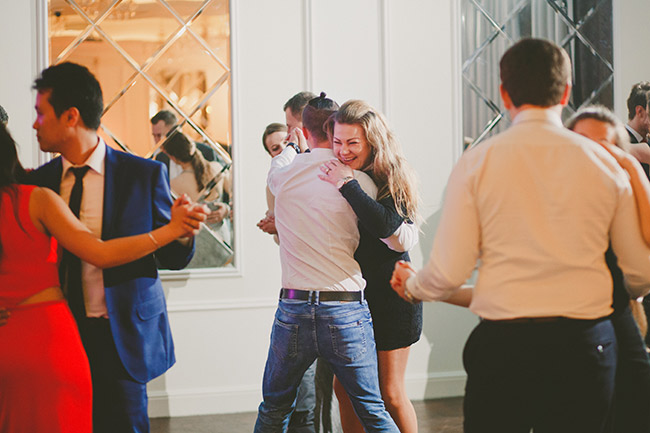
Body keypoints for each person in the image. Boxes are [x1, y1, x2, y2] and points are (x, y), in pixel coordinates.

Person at [391, 38, 650, 433]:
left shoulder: (476, 163)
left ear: (503, 93)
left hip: (505, 346)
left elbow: (448, 272)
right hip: (585, 344)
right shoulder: (605, 165)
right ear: (565, 92)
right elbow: (641, 273)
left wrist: (413, 286)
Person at [25, 62, 207, 433]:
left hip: (123, 335)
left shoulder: (142, 175)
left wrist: (183, 231)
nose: (34, 124)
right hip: (60, 335)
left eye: (41, 113)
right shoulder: (39, 184)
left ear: (71, 116)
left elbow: (172, 257)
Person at [254, 92, 399, 433]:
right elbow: (388, 230)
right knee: (372, 410)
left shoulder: (282, 176)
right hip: (344, 307)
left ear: (304, 130)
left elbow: (277, 166)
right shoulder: (358, 181)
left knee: (274, 408)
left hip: (294, 307)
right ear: (334, 130)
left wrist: (293, 146)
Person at [319, 100, 421, 433]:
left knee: (390, 393)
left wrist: (347, 184)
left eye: (353, 143)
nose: (343, 150)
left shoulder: (390, 174)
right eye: (337, 142)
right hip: (354, 297)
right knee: (345, 390)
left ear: (372, 142)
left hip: (392, 296)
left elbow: (386, 226)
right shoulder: (336, 170)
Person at [566, 106, 650, 433]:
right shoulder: (556, 196)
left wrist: (631, 166)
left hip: (616, 312)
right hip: (566, 324)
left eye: (604, 146)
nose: (594, 153)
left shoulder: (624, 194)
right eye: (583, 143)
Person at [150, 110, 221, 179]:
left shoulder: (207, 152)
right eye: (154, 136)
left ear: (176, 131)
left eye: (159, 135)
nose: (157, 141)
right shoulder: (160, 157)